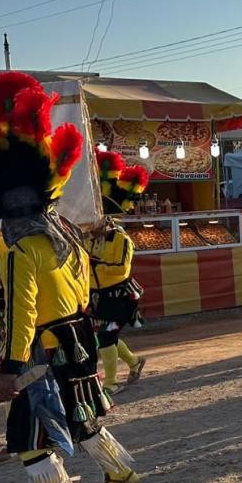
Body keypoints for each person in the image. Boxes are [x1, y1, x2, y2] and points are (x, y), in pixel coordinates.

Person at [0, 71, 146, 483]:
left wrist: (11, 369)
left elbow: (22, 312)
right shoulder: (71, 241)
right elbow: (80, 296)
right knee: (83, 414)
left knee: (29, 434)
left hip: (43, 349)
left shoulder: (20, 252)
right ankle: (122, 473)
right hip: (78, 337)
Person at [86, 151, 150, 397]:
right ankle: (133, 362)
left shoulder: (121, 239)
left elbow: (121, 269)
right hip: (95, 296)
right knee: (105, 336)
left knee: (106, 337)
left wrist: (93, 265)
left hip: (117, 295)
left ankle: (111, 382)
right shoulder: (89, 239)